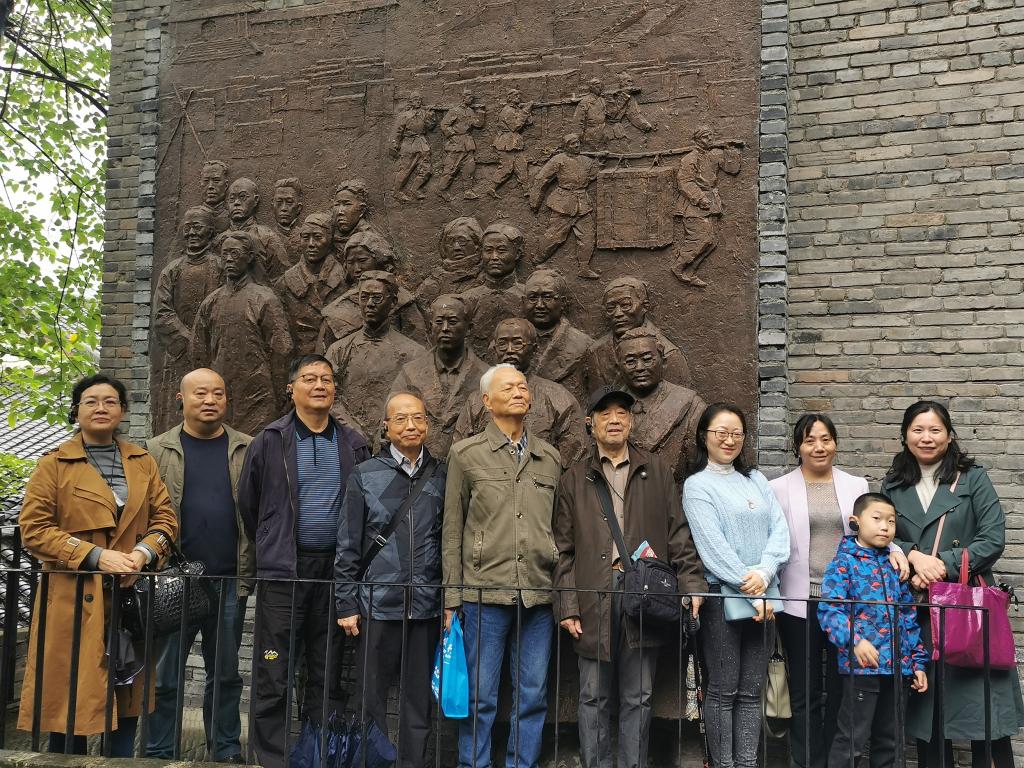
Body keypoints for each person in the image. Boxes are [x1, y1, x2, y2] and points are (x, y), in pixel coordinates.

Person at [18, 374, 177, 756]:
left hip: (129, 599)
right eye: (91, 401)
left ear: (122, 410)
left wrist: (142, 554)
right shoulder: (54, 464)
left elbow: (165, 519)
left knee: (126, 697)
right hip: (71, 601)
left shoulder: (142, 462)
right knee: (69, 701)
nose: (101, 408)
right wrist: (96, 556)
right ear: (76, 411)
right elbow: (34, 529)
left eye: (110, 401)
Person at [553, 386, 706, 768]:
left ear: (632, 421)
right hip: (594, 596)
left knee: (639, 696)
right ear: (590, 423)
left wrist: (691, 584)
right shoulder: (574, 478)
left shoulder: (656, 471)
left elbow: (678, 534)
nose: (614, 419)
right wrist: (568, 605)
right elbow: (562, 550)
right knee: (593, 696)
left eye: (622, 412)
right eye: (605, 413)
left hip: (645, 598)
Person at [238, 354, 370, 768]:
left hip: (335, 573)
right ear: (291, 388)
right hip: (284, 571)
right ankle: (271, 758)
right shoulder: (270, 440)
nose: (319, 386)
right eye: (309, 378)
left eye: (326, 379)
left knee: (326, 668)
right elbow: (249, 503)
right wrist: (272, 540)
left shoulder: (353, 443)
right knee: (273, 668)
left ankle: (319, 754)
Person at [883, 401, 1024, 768]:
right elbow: (881, 535)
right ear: (905, 435)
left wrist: (941, 565)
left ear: (949, 435)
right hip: (920, 610)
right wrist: (914, 557)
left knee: (986, 717)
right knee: (930, 718)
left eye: (935, 430)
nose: (926, 438)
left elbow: (992, 539)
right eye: (918, 430)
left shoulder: (973, 478)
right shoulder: (893, 484)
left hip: (968, 608)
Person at [770, 414, 908, 768]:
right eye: (809, 440)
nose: (819, 447)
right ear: (797, 446)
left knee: (841, 691)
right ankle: (808, 761)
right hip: (799, 601)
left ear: (835, 443)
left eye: (826, 439)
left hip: (848, 605)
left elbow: (873, 525)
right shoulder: (778, 488)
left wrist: (897, 550)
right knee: (805, 692)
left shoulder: (854, 484)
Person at [443, 364, 562, 768]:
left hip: (538, 593)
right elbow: (452, 530)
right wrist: (452, 597)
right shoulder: (466, 454)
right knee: (480, 696)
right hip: (483, 593)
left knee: (532, 695)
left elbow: (556, 526)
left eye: (523, 387)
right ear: (486, 401)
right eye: (507, 387)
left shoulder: (549, 458)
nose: (518, 392)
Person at [145, 368, 253, 763]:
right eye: (200, 393)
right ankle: (159, 751)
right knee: (165, 675)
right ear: (182, 399)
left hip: (228, 580)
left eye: (218, 393)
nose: (210, 400)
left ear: (226, 398)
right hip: (175, 581)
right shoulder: (156, 449)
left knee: (225, 674)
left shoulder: (247, 448)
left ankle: (225, 749)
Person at [335, 391, 447, 768]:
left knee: (419, 700)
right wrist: (346, 603)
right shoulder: (366, 474)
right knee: (371, 697)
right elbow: (348, 543)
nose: (410, 425)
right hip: (377, 605)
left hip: (426, 607)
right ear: (385, 426)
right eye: (400, 419)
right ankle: (374, 761)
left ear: (427, 424)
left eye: (417, 418)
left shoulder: (443, 475)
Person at [682, 403, 790, 768]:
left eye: (737, 433)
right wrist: (752, 588)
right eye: (721, 433)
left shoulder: (755, 479)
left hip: (765, 596)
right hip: (722, 598)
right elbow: (712, 547)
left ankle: (746, 763)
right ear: (704, 436)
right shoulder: (697, 485)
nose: (729, 440)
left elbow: (780, 531)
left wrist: (766, 572)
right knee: (723, 688)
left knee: (751, 690)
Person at [817, 493, 929, 768]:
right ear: (855, 521)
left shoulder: (895, 566)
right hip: (863, 668)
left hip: (899, 669)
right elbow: (830, 610)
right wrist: (854, 641)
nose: (884, 526)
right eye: (877, 518)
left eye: (891, 521)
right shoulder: (843, 563)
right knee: (851, 739)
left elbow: (908, 617)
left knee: (891, 741)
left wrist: (917, 663)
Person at [191, 230, 293, 436]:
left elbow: (282, 349)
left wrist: (281, 392)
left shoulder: (265, 299)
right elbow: (198, 350)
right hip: (219, 393)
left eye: (235, 253)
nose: (228, 259)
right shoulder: (211, 302)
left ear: (249, 257)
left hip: (258, 394)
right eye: (225, 254)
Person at [453, 317, 585, 468]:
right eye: (502, 343)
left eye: (517, 343)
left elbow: (575, 464)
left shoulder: (558, 398)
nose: (509, 350)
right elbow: (460, 455)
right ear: (494, 349)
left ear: (534, 349)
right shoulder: (477, 400)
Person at [326, 271, 425, 436]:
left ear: (393, 302)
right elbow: (328, 396)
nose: (370, 304)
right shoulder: (338, 350)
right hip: (347, 440)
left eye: (377, 298)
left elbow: (418, 402)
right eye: (364, 297)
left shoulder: (414, 352)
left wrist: (390, 429)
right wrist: (353, 432)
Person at [390, 295, 487, 458]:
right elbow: (391, 424)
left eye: (453, 322)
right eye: (439, 322)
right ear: (430, 327)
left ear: (469, 328)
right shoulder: (409, 373)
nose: (445, 328)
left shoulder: (486, 377)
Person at [615, 328, 705, 481]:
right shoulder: (606, 407)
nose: (639, 368)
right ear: (619, 368)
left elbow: (701, 471)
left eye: (647, 359)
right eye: (630, 362)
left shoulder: (692, 406)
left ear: (663, 362)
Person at [582, 277, 691, 393]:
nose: (618, 313)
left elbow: (681, 398)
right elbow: (595, 398)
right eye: (611, 308)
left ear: (645, 306)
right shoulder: (596, 353)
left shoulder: (669, 354)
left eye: (625, 305)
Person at [274, 211, 348, 355]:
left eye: (318, 237)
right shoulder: (284, 284)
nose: (311, 244)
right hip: (299, 360)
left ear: (330, 239)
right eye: (306, 237)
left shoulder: (345, 280)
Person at [529, 133, 602, 279]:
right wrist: (535, 200)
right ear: (566, 146)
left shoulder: (586, 160)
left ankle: (584, 268)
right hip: (563, 205)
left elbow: (593, 175)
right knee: (554, 236)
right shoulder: (558, 160)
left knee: (588, 236)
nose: (577, 145)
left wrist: (599, 161)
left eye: (578, 142)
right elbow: (542, 178)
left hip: (583, 205)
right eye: (573, 143)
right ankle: (537, 260)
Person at [523, 268, 593, 401]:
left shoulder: (584, 346)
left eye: (547, 297)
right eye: (532, 298)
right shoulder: (506, 344)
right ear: (523, 301)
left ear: (563, 302)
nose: (539, 305)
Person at [460, 221, 527, 358]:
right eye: (488, 250)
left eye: (501, 251)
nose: (494, 257)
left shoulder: (529, 298)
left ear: (517, 253)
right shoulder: (466, 300)